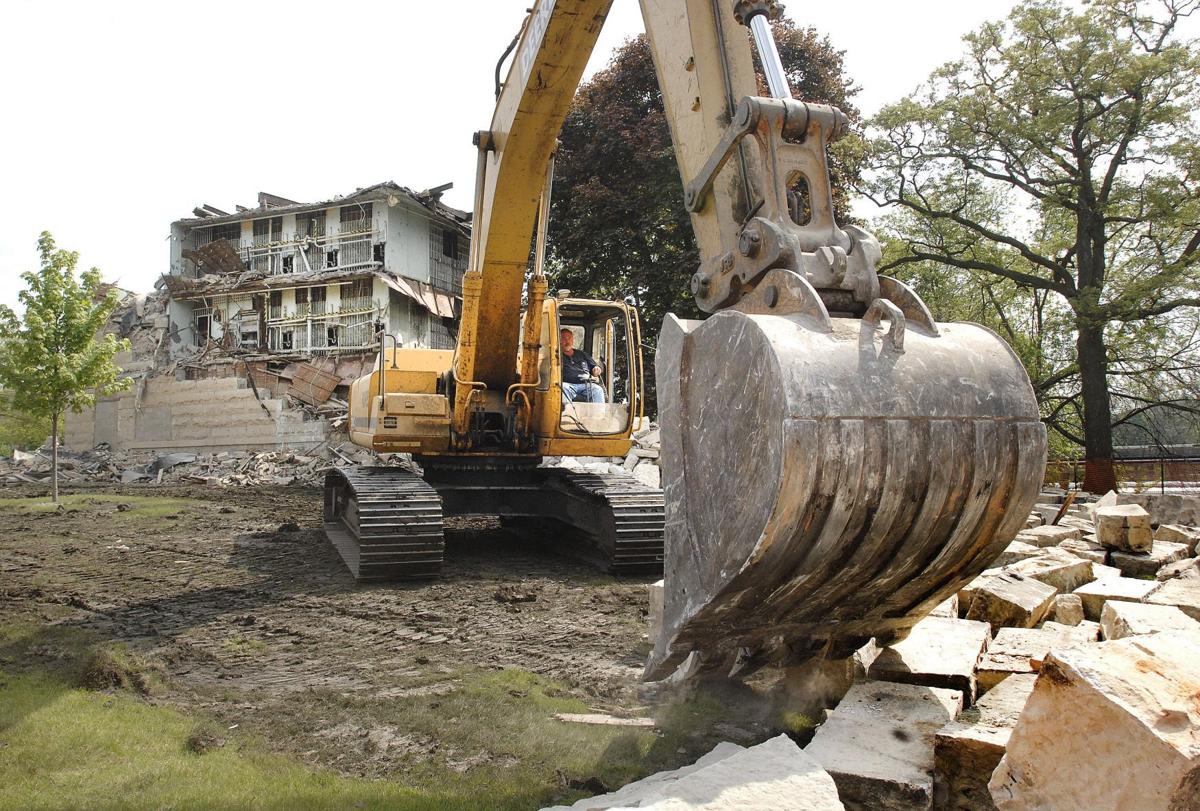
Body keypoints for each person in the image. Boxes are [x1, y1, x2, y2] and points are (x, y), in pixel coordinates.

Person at [559, 327, 604, 406]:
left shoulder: (582, 354)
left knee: (598, 390)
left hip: (585, 384)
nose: (567, 341)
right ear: (558, 340)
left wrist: (597, 369)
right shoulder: (556, 355)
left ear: (573, 340)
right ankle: (566, 416)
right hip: (566, 384)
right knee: (562, 388)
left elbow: (594, 367)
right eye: (563, 338)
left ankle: (599, 417)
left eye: (569, 338)